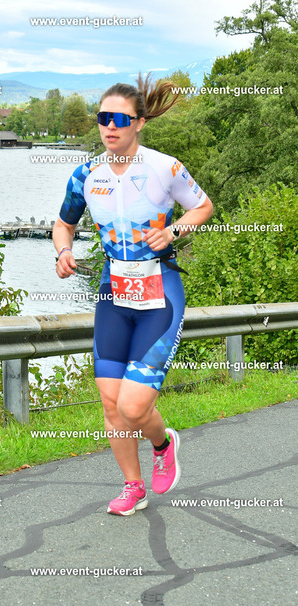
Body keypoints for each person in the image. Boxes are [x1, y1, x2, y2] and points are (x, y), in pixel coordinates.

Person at [52, 74, 214, 516]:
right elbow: (63, 224)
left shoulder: (165, 168)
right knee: (111, 404)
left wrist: (174, 231)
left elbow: (203, 206)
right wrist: (63, 252)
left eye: (120, 119)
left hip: (159, 293)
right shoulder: (86, 174)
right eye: (103, 117)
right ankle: (133, 486)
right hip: (113, 294)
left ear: (139, 123)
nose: (110, 126)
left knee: (134, 405)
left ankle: (163, 444)